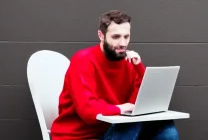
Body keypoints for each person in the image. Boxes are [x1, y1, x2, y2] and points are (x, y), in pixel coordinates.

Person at [50, 10, 179, 140]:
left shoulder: (128, 62)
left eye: (126, 37)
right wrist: (122, 108)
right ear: (101, 35)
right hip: (80, 136)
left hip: (115, 130)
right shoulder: (83, 60)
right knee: (130, 124)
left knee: (167, 130)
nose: (122, 43)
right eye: (116, 37)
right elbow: (88, 111)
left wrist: (139, 68)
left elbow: (139, 106)